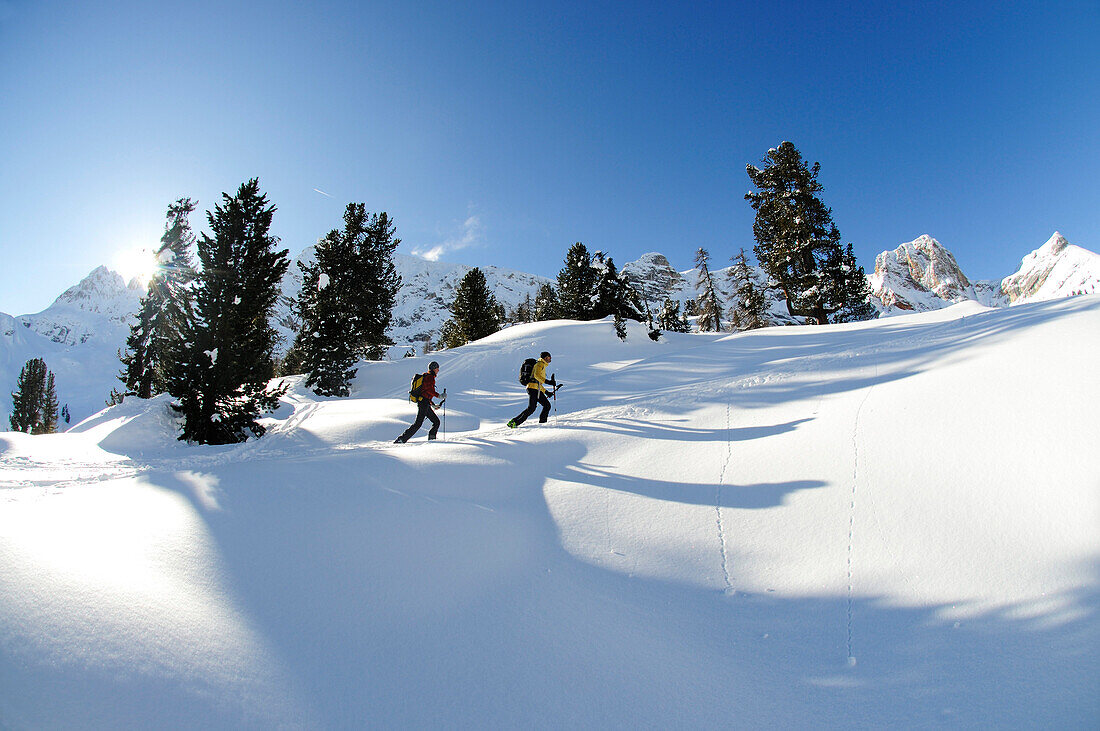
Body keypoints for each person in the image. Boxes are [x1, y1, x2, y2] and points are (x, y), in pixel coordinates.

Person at [395, 361, 444, 443]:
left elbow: (425, 393)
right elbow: (429, 390)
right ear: (434, 369)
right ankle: (402, 439)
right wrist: (439, 396)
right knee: (418, 424)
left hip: (424, 403)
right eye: (437, 368)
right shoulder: (430, 377)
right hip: (423, 404)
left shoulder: (427, 376)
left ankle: (432, 439)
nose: (438, 370)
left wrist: (432, 404)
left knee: (436, 422)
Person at [508, 351, 557, 428]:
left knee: (545, 405)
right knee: (533, 408)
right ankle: (515, 422)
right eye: (549, 357)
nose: (550, 359)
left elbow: (537, 382)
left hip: (534, 388)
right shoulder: (540, 364)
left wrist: (546, 392)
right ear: (545, 358)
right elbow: (537, 376)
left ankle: (541, 423)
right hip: (533, 388)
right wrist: (549, 382)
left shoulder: (541, 364)